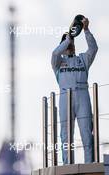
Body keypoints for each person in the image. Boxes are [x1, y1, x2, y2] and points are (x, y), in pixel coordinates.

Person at [51, 17, 98, 164]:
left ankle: (89, 164)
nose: (71, 45)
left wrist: (86, 30)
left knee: (86, 133)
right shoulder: (58, 62)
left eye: (72, 43)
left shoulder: (83, 59)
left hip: (82, 95)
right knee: (66, 135)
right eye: (68, 43)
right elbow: (54, 53)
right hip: (65, 96)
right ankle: (67, 164)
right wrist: (68, 38)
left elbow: (93, 48)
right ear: (63, 45)